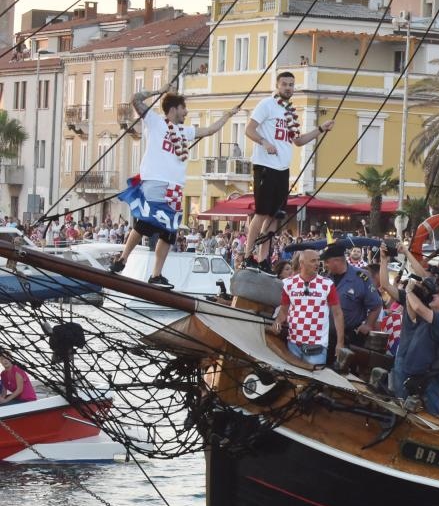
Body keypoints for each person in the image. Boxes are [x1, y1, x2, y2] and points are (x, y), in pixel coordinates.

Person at [111, 90, 231, 285]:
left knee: (169, 232)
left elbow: (209, 130)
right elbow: (135, 99)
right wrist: (159, 91)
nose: (186, 113)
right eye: (184, 109)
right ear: (174, 109)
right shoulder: (155, 121)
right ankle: (122, 259)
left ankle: (156, 275)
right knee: (145, 222)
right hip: (156, 181)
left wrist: (227, 116)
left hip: (175, 188)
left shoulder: (184, 132)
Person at [244, 72, 328, 267]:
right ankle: (249, 254)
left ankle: (264, 258)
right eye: (285, 84)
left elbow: (298, 141)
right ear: (277, 85)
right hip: (265, 165)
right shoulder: (267, 104)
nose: (288, 88)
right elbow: (249, 129)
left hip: (283, 167)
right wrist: (264, 142)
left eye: (291, 85)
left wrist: (321, 129)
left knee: (275, 215)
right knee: (262, 212)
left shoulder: (290, 112)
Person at [392, 275, 439, 414]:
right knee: (403, 410)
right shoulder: (431, 316)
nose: (434, 295)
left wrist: (409, 291)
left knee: (431, 416)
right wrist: (415, 292)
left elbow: (418, 307)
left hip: (430, 379)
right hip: (415, 375)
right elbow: (413, 310)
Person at [272, 248, 344, 367]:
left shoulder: (327, 284)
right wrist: (277, 324)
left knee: (313, 382)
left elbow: (338, 314)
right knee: (293, 380)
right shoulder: (288, 283)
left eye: (318, 260)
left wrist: (340, 343)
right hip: (293, 344)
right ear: (302, 263)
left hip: (317, 346)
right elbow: (283, 311)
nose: (317, 264)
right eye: (313, 261)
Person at [321, 242, 382, 350]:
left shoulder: (361, 277)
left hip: (349, 337)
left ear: (337, 261)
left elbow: (376, 305)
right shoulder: (325, 277)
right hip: (325, 335)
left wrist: (368, 325)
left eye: (327, 262)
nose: (324, 265)